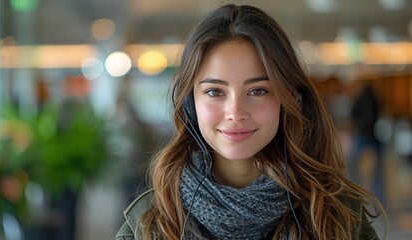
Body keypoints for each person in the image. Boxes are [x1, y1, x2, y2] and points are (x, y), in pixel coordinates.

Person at [116, 4, 385, 240]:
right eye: (214, 92)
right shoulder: (148, 225)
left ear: (290, 99)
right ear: (189, 104)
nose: (235, 112)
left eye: (258, 91)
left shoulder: (338, 217)